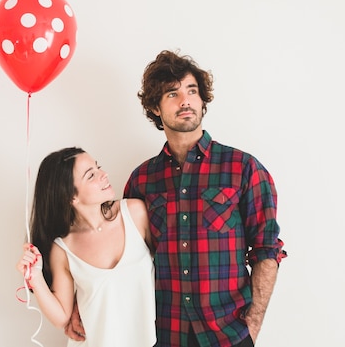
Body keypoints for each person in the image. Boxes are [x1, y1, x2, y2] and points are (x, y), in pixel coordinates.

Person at [65, 50, 286, 347]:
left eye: (192, 91)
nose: (185, 100)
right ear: (156, 108)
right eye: (172, 93)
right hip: (165, 334)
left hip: (228, 334)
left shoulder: (243, 169)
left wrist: (254, 323)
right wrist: (81, 303)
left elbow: (266, 249)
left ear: (202, 100)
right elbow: (119, 254)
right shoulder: (142, 180)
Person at [16, 147, 156, 347]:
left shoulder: (135, 213)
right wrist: (36, 277)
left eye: (98, 168)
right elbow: (62, 318)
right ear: (71, 196)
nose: (104, 175)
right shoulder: (63, 248)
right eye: (91, 175)